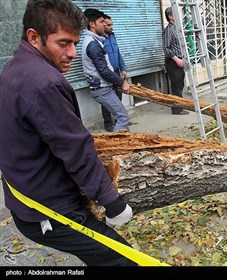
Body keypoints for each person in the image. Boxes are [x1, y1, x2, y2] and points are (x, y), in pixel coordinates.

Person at [0, 0, 137, 266]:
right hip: (49, 211)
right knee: (126, 261)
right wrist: (112, 202)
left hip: (26, 197)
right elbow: (75, 148)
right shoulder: (44, 82)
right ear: (34, 36)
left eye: (75, 43)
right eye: (63, 43)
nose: (73, 53)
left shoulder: (14, 67)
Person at [82, 8, 131, 131]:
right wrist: (122, 82)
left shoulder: (97, 41)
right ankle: (119, 147)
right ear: (92, 24)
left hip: (105, 87)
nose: (105, 24)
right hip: (102, 89)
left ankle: (125, 144)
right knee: (122, 117)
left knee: (121, 116)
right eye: (102, 22)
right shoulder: (93, 44)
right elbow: (103, 70)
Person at [101, 14, 128, 132]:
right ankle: (108, 123)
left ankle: (119, 120)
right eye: (109, 25)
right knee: (107, 99)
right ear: (103, 25)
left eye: (112, 24)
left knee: (118, 97)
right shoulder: (99, 39)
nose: (112, 27)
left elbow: (118, 53)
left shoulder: (112, 36)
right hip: (107, 73)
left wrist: (123, 68)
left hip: (116, 71)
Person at [162, 7, 190, 115]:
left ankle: (180, 106)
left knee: (180, 84)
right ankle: (177, 109)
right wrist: (176, 59)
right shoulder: (168, 30)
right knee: (176, 86)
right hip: (173, 62)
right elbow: (166, 48)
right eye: (176, 14)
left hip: (180, 60)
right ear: (170, 16)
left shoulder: (177, 28)